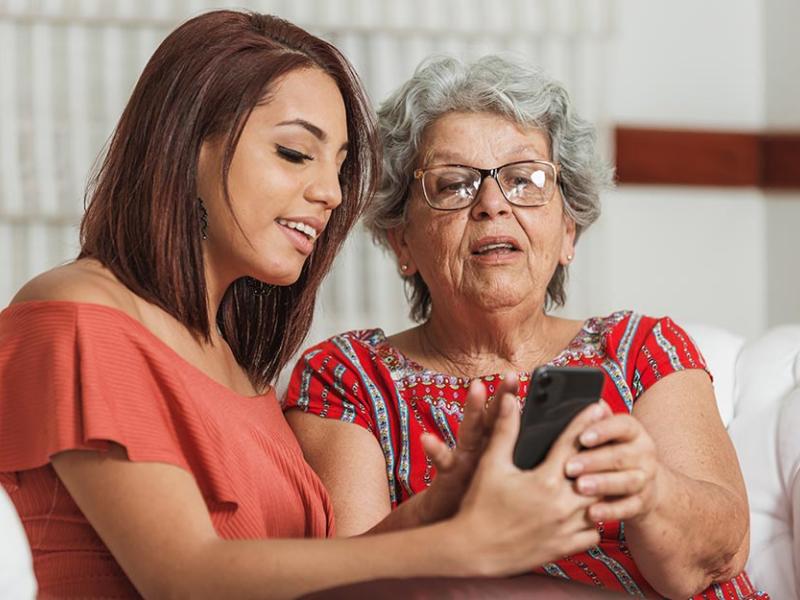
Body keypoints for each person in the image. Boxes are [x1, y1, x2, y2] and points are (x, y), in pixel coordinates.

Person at [0, 12, 621, 599]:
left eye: (340, 166)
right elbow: (184, 576)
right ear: (187, 148)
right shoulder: (78, 316)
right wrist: (459, 547)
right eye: (296, 153)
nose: (328, 193)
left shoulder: (234, 365)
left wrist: (435, 514)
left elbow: (302, 584)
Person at [284, 55, 767, 599]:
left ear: (567, 232)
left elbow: (712, 561)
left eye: (525, 179)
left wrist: (649, 487)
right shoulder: (349, 378)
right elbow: (344, 587)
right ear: (402, 242)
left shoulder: (642, 350)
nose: (493, 204)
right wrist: (451, 512)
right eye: (454, 185)